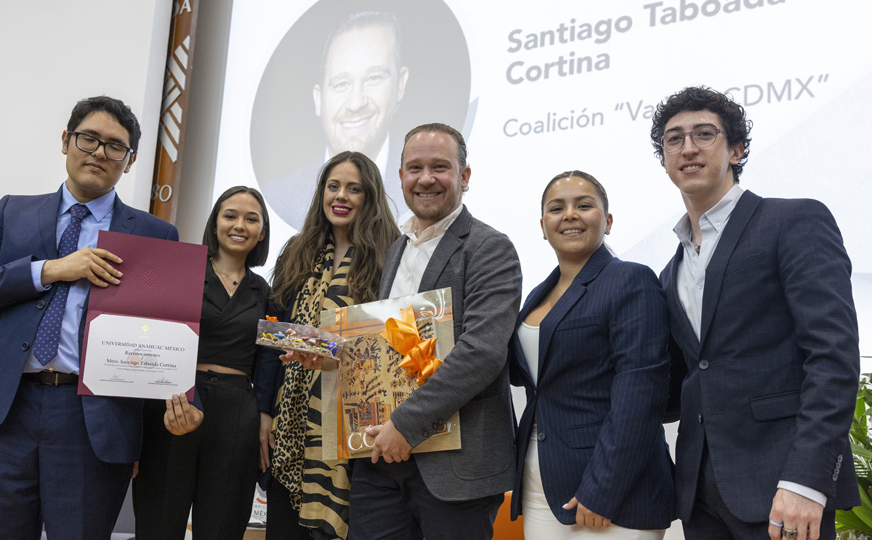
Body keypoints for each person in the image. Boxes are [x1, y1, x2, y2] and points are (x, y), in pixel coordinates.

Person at [0, 96, 203, 540]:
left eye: (115, 147)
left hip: (92, 420)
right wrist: (49, 269)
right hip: (6, 410)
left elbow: (165, 331)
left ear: (130, 160)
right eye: (89, 139)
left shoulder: (154, 234)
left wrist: (187, 402)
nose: (100, 152)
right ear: (66, 141)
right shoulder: (13, 211)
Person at [650, 86, 860, 540]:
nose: (688, 147)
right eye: (673, 138)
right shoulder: (670, 271)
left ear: (736, 149)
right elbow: (685, 379)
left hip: (783, 486)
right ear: (664, 159)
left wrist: (808, 477)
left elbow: (833, 356)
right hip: (700, 494)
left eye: (704, 134)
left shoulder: (793, 221)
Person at [348, 123, 522, 540]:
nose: (425, 178)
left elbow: (481, 353)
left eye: (440, 167)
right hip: (382, 462)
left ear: (464, 176)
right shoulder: (396, 248)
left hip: (457, 469)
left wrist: (405, 425)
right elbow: (391, 343)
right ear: (402, 177)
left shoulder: (489, 248)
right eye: (414, 168)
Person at [509, 170, 674, 539]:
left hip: (610, 492)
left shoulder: (630, 280)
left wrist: (603, 490)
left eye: (584, 205)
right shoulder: (537, 293)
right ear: (542, 224)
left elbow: (639, 396)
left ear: (608, 220)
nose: (570, 214)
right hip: (541, 486)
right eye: (557, 208)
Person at [257, 151, 401, 540]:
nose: (342, 196)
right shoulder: (297, 252)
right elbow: (276, 338)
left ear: (369, 197)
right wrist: (265, 413)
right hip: (292, 421)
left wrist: (335, 353)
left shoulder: (391, 254)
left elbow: (394, 345)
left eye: (354, 189)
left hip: (358, 423)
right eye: (333, 186)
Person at [133, 186, 271, 539]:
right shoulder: (181, 272)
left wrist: (265, 415)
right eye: (230, 215)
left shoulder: (266, 291)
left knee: (222, 527)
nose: (239, 225)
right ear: (215, 223)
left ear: (262, 231)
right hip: (174, 404)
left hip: (237, 413)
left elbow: (269, 360)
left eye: (251, 218)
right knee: (158, 523)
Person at [262, 11, 410, 226]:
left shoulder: (422, 197)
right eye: (341, 84)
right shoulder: (275, 199)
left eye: (373, 78)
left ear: (400, 85)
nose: (356, 103)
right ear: (318, 99)